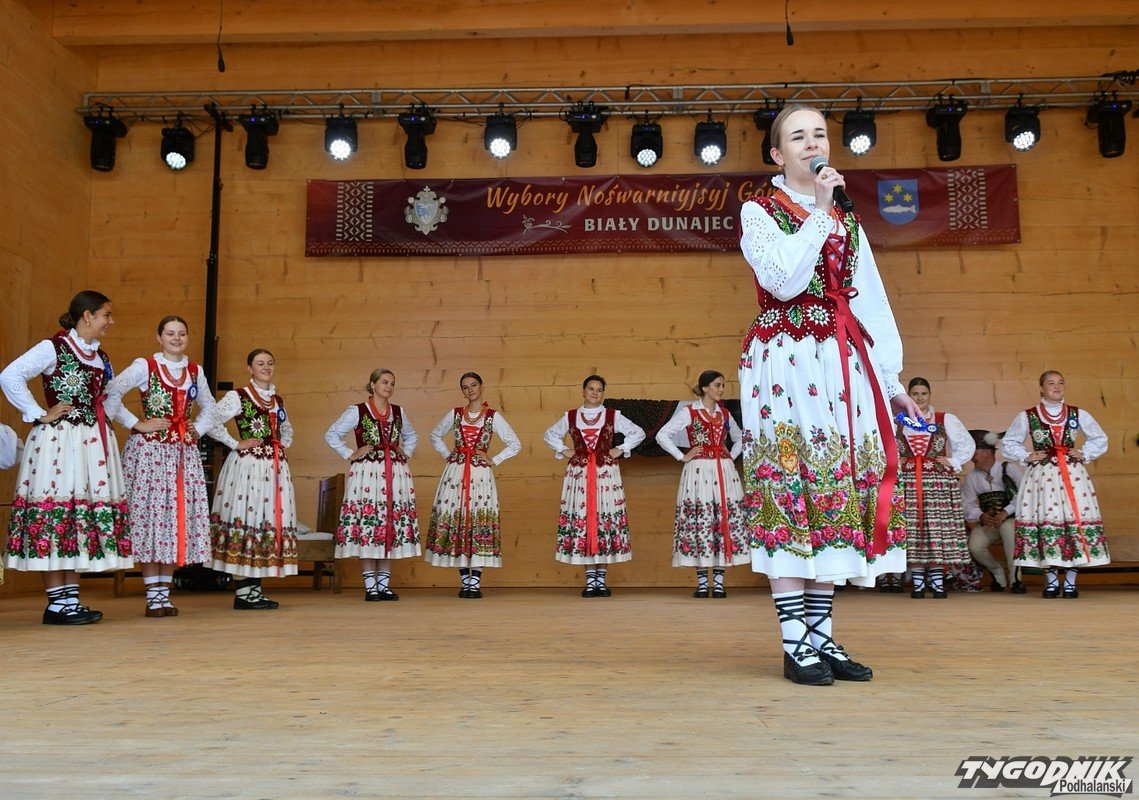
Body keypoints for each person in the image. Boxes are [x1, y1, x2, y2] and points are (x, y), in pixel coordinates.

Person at [738, 104, 920, 685]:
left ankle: (821, 637)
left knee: (831, 494)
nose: (812, 143)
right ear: (777, 154)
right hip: (788, 362)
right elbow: (782, 280)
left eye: (819, 134)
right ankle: (796, 644)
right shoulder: (758, 210)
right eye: (798, 137)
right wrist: (819, 212)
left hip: (844, 362)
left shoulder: (847, 217)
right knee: (793, 490)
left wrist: (891, 383)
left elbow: (871, 302)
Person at [0, 290, 133, 624]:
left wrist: (118, 427)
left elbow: (109, 397)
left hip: (89, 445)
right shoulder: (54, 347)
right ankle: (57, 603)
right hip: (59, 443)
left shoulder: (100, 357)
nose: (110, 321)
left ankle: (68, 600)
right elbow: (10, 376)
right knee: (56, 514)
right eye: (106, 314)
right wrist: (37, 413)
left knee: (74, 517)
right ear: (87, 316)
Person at [104, 315, 216, 618]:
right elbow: (111, 391)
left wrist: (198, 428)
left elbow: (210, 406)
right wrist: (136, 423)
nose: (176, 338)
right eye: (170, 333)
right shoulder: (146, 366)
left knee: (171, 522)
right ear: (159, 338)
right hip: (150, 454)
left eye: (181, 333)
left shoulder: (195, 371)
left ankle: (163, 595)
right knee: (151, 519)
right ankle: (153, 596)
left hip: (181, 455)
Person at [1001, 370, 1109, 598]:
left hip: (1072, 475)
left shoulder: (1076, 414)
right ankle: (1051, 581)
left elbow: (1100, 438)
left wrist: (1084, 453)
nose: (1057, 386)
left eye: (1060, 382)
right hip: (1042, 477)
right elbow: (1009, 442)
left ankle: (1070, 582)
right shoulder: (1028, 416)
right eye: (1051, 383)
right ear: (1041, 388)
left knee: (1072, 522)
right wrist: (1026, 456)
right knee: (1046, 522)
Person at [207, 348, 298, 610]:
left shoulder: (277, 400)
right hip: (248, 468)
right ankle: (243, 592)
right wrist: (235, 443)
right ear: (250, 368)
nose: (266, 367)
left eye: (270, 363)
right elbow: (210, 420)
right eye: (260, 363)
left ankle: (253, 590)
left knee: (264, 521)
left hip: (273, 468)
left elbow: (286, 429)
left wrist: (282, 444)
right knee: (248, 519)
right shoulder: (239, 396)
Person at [544, 375, 645, 597]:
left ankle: (601, 579)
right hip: (580, 474)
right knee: (585, 520)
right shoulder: (571, 416)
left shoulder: (612, 415)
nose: (595, 393)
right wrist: (564, 449)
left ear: (603, 393)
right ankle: (591, 580)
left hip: (605, 474)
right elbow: (549, 434)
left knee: (603, 520)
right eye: (591, 389)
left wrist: (621, 449)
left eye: (599, 390)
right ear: (583, 391)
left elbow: (638, 433)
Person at [324, 368, 421, 600]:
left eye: (392, 383)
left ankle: (383, 586)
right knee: (368, 525)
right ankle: (371, 586)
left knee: (388, 525)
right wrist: (350, 453)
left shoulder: (398, 412)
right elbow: (331, 434)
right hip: (367, 473)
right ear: (373, 385)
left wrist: (405, 452)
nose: (389, 387)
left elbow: (412, 436)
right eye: (384, 382)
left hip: (394, 473)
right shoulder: (357, 411)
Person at [424, 372, 521, 598]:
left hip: (480, 474)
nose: (470, 390)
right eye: (465, 387)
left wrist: (494, 459)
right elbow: (435, 435)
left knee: (478, 521)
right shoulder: (456, 414)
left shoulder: (493, 416)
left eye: (474, 385)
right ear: (463, 391)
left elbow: (515, 443)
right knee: (458, 520)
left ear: (481, 386)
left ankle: (474, 582)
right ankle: (465, 581)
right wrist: (448, 454)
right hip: (456, 473)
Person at [654, 370, 748, 597]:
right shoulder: (689, 412)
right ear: (705, 387)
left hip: (723, 470)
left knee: (721, 520)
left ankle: (719, 583)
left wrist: (730, 456)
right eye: (717, 385)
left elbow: (741, 438)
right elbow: (662, 435)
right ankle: (703, 583)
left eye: (722, 385)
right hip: (698, 471)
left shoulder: (725, 414)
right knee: (700, 519)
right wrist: (682, 456)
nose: (721, 389)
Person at [895, 377, 974, 599]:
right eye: (915, 394)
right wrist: (896, 461)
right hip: (909, 482)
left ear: (930, 395)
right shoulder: (898, 420)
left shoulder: (944, 419)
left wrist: (953, 461)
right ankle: (918, 583)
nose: (920, 398)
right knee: (914, 531)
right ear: (908, 396)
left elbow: (966, 444)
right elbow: (885, 446)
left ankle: (937, 582)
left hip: (938, 483)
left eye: (924, 394)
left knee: (937, 530)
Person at [963, 429, 1025, 593]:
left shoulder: (1008, 469)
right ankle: (997, 572)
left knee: (1008, 529)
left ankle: (1016, 579)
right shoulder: (972, 477)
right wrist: (981, 516)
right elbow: (967, 504)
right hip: (989, 524)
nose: (972, 458)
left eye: (974, 453)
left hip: (1012, 520)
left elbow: (1025, 494)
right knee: (975, 545)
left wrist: (1006, 512)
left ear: (988, 452)